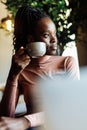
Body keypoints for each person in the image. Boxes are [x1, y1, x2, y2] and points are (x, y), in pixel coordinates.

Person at [0, 5, 79, 130]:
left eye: (55, 34)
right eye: (46, 35)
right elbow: (5, 118)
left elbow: (72, 107)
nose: (54, 40)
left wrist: (26, 121)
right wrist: (13, 76)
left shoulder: (67, 62)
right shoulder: (21, 70)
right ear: (31, 39)